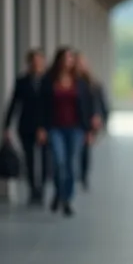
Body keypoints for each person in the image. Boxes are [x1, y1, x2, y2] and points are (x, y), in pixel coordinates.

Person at [36, 47, 99, 217]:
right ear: (58, 60)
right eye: (65, 58)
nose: (68, 61)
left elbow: (87, 105)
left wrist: (89, 130)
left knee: (71, 164)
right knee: (58, 162)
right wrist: (41, 127)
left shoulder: (79, 82)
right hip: (55, 127)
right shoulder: (48, 81)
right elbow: (41, 106)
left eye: (70, 58)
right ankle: (59, 191)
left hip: (76, 129)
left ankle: (66, 199)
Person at [2, 49, 49, 205]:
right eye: (33, 61)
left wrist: (45, 126)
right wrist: (7, 126)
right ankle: (32, 189)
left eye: (39, 61)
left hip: (44, 126)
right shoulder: (22, 81)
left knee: (43, 159)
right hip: (26, 125)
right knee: (29, 158)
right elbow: (14, 103)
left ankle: (41, 188)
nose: (36, 64)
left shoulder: (48, 81)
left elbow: (50, 107)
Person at [75, 53, 108, 191]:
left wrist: (99, 120)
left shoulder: (92, 84)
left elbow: (99, 104)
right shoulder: (67, 82)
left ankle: (83, 176)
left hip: (87, 123)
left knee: (84, 151)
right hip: (72, 122)